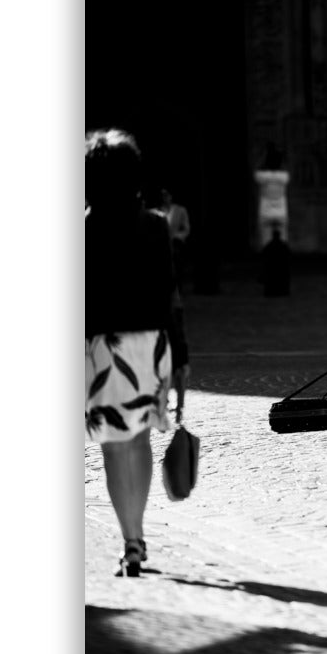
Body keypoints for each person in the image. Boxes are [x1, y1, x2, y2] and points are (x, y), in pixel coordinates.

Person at [85, 131, 189, 577]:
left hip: (100, 351)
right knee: (140, 438)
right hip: (148, 346)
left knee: (113, 447)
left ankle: (130, 540)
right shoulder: (154, 225)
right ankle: (138, 535)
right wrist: (181, 353)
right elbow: (170, 295)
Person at [160, 188, 191, 291]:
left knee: (177, 266)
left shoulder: (180, 210)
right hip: (162, 244)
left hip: (176, 243)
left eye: (166, 195)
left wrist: (177, 237)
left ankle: (178, 289)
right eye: (163, 195)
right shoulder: (159, 210)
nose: (165, 198)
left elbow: (186, 229)